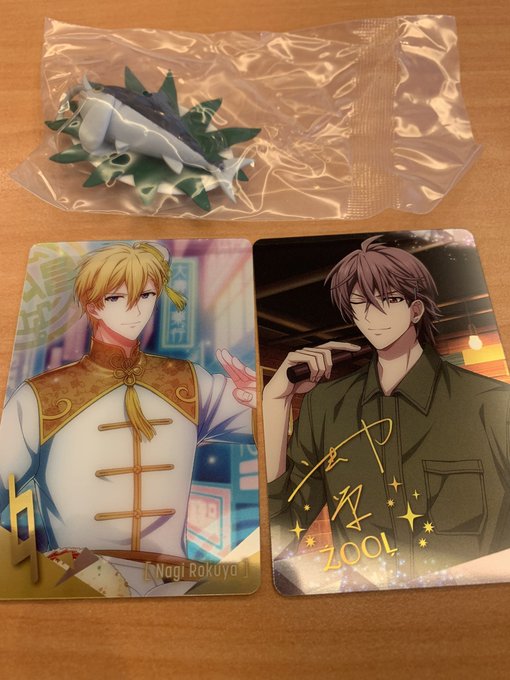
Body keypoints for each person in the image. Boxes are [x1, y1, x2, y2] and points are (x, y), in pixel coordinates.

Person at [0, 242, 256, 593]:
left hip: (178, 581)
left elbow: (268, 430)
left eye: (146, 295)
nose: (135, 309)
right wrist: (31, 576)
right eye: (116, 297)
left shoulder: (188, 381)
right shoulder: (40, 397)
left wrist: (264, 400)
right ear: (93, 304)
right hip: (81, 581)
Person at [263, 236, 510, 586]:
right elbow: (280, 532)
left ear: (415, 310)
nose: (373, 315)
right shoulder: (326, 406)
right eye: (360, 304)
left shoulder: (491, 402)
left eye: (390, 300)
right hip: (364, 606)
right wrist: (275, 405)